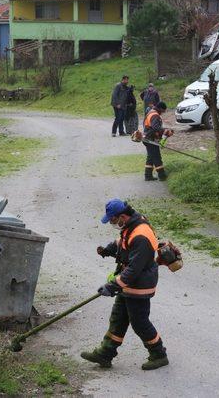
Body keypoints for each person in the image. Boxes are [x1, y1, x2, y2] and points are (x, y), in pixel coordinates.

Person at [81, 199, 168, 371]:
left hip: (140, 285)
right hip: (128, 284)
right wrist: (108, 249)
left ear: (122, 216)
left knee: (139, 322)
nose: (112, 223)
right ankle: (105, 353)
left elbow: (134, 269)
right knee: (118, 318)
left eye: (113, 220)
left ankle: (159, 354)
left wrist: (112, 286)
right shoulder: (131, 225)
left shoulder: (141, 235)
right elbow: (123, 241)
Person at [143, 101, 173, 181]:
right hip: (151, 139)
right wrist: (165, 131)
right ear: (160, 108)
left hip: (147, 138)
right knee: (157, 157)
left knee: (150, 157)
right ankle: (162, 176)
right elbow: (155, 127)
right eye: (163, 111)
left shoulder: (151, 112)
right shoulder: (155, 115)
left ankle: (148, 175)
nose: (162, 113)